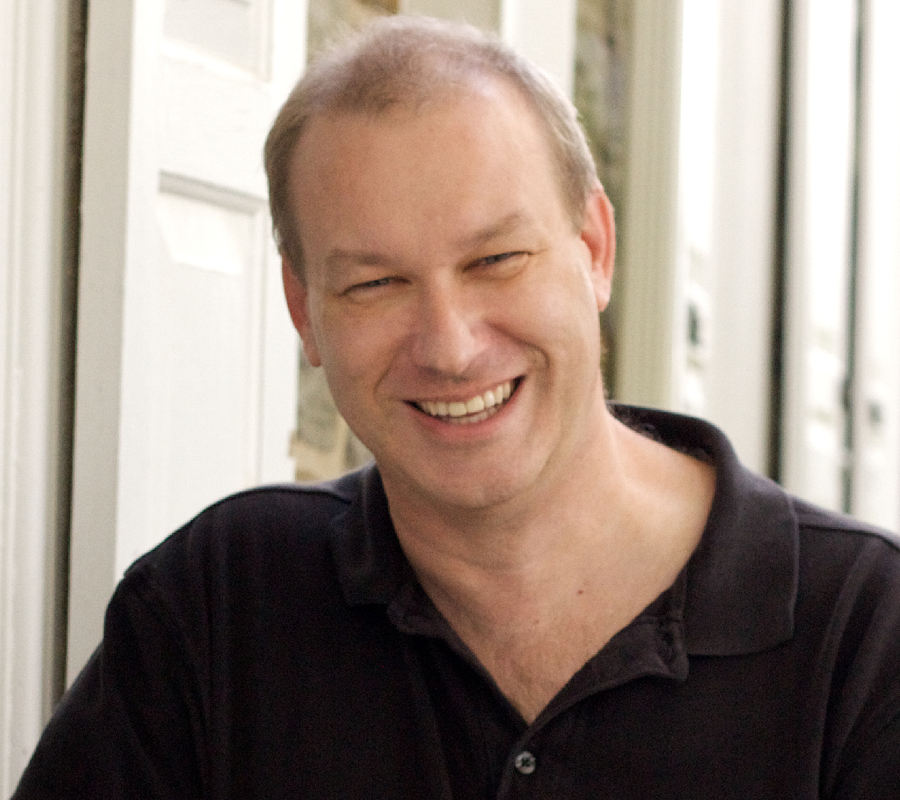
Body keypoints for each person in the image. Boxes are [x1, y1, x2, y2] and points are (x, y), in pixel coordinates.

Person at [14, 15, 900, 799]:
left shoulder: (868, 630)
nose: (449, 345)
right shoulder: (217, 607)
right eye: (375, 283)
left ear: (594, 249)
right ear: (303, 311)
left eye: (495, 261)